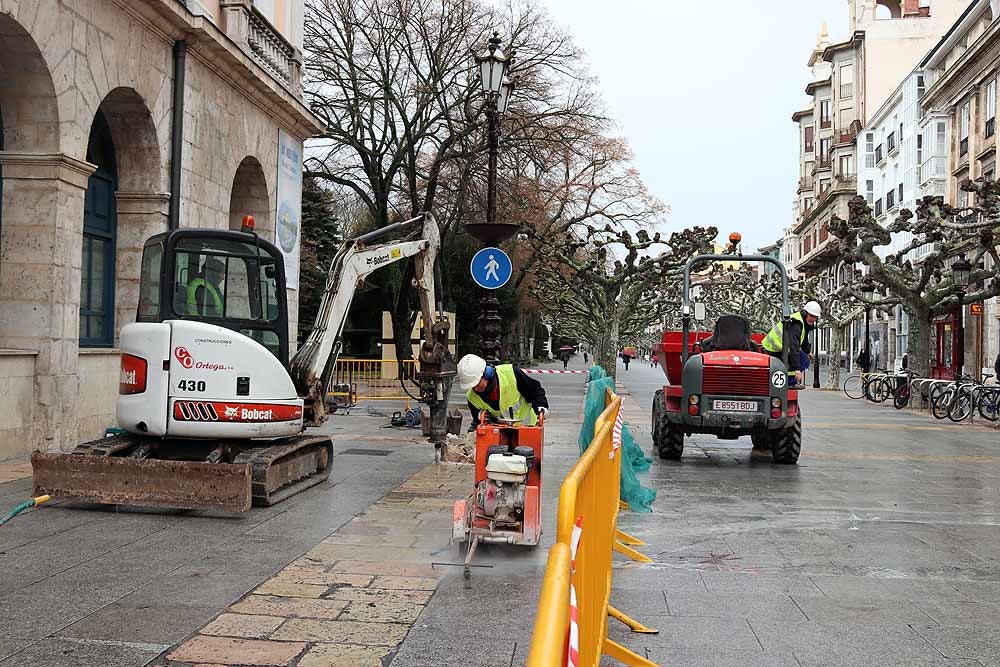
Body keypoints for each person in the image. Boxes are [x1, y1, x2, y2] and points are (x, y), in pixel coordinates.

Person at [457, 354, 549, 428]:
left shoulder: (511, 374)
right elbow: (477, 422)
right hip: (499, 435)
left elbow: (535, 390)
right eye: (472, 387)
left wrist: (541, 406)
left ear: (487, 374)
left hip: (527, 428)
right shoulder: (472, 398)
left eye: (477, 384)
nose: (476, 389)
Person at [761, 301, 821, 386]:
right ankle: (790, 382)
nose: (813, 319)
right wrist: (797, 369)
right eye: (811, 316)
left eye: (815, 317)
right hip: (774, 349)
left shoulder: (803, 322)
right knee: (803, 360)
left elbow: (804, 339)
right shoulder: (796, 324)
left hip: (779, 348)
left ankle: (789, 381)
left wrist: (808, 351)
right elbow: (794, 346)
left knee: (804, 357)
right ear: (805, 313)